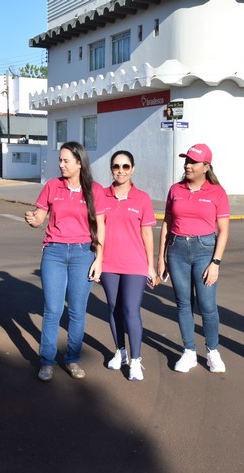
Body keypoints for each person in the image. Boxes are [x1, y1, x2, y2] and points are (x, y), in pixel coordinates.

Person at [25, 142, 105, 382]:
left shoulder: (94, 190)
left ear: (79, 162)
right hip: (54, 252)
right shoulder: (52, 186)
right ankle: (47, 361)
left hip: (83, 253)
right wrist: (33, 219)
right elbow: (40, 216)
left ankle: (72, 359)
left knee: (78, 311)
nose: (60, 165)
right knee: (53, 310)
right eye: (60, 160)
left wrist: (99, 259)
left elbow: (100, 227)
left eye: (65, 160)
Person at [158, 143, 230, 373]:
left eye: (192, 162)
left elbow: (224, 230)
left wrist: (216, 262)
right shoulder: (175, 190)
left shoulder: (217, 192)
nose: (187, 165)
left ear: (206, 166)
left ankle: (212, 351)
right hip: (177, 249)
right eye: (186, 161)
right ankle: (189, 351)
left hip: (204, 249)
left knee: (207, 304)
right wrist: (161, 258)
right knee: (183, 303)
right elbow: (167, 224)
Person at [101, 151, 158, 381]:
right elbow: (97, 229)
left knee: (130, 310)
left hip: (135, 264)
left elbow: (147, 233)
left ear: (132, 169)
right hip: (108, 263)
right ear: (111, 168)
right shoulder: (102, 196)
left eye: (125, 166)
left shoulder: (142, 198)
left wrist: (151, 266)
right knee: (114, 307)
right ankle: (120, 352)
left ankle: (136, 360)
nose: (121, 171)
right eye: (116, 166)